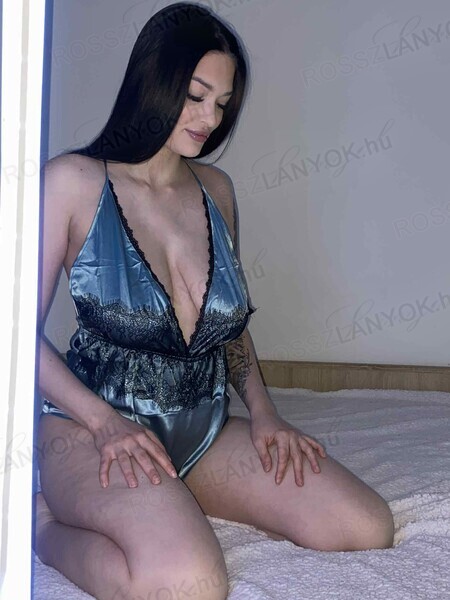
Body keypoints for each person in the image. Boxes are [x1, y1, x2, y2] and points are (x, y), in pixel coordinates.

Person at [34, 3, 394, 599]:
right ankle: (45, 527)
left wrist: (265, 413)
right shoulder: (71, 181)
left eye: (222, 103)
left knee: (364, 526)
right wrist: (103, 423)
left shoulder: (216, 190)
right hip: (91, 427)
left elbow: (225, 327)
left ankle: (172, 499)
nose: (210, 119)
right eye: (196, 95)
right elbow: (12, 332)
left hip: (202, 427)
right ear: (154, 81)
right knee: (189, 585)